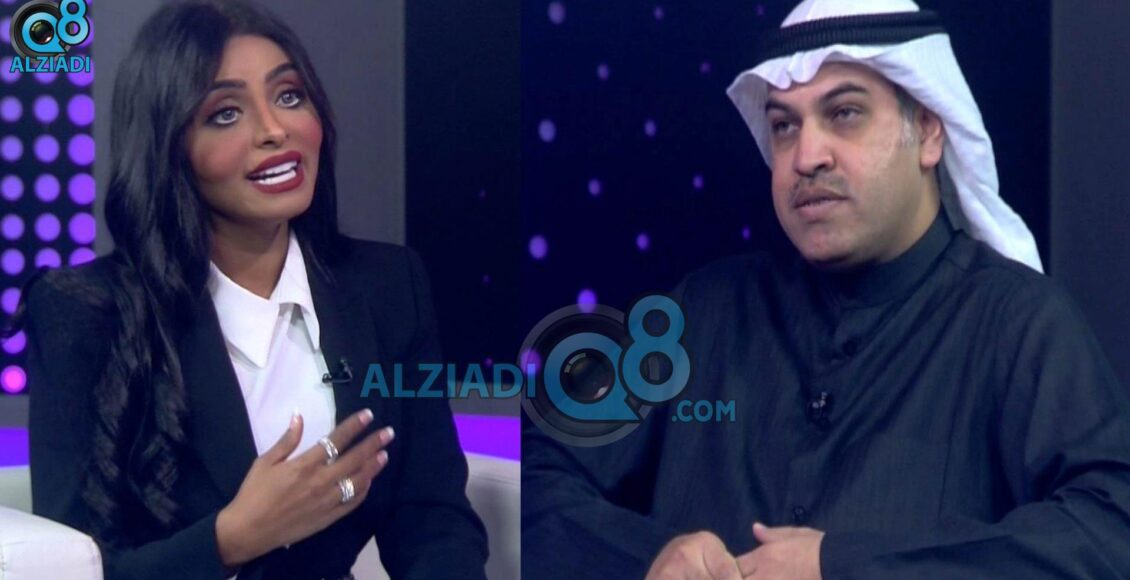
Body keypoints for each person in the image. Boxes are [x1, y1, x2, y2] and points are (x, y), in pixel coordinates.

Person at [521, 0, 1130, 578]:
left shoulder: (1018, 323)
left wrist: (843, 566)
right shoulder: (702, 312)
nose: (806, 155)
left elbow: (1109, 532)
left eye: (844, 114)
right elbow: (529, 471)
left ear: (928, 132)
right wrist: (647, 559)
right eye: (784, 126)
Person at [10, 1, 488, 578]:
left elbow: (431, 516)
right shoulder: (85, 312)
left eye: (289, 96)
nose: (274, 130)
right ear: (169, 146)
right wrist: (231, 539)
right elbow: (70, 566)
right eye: (226, 113)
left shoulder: (388, 285)